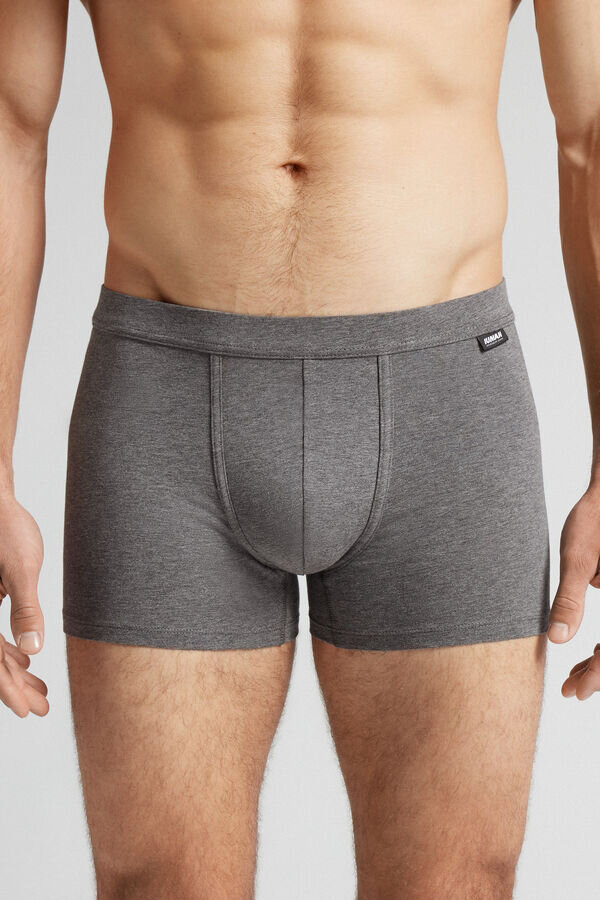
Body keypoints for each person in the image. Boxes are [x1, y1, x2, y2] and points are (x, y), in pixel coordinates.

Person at [1, 0, 600, 897]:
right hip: (164, 407)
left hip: (444, 408)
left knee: (458, 884)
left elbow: (591, 135)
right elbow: (9, 131)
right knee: (158, 886)